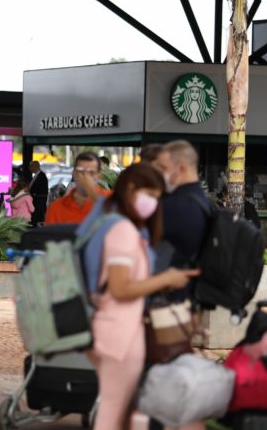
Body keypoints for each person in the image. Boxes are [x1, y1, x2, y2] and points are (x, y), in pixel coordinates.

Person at [88, 163, 200, 430]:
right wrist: (166, 279)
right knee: (112, 413)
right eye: (150, 194)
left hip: (120, 331)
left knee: (122, 413)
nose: (154, 203)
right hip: (119, 335)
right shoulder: (123, 232)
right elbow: (120, 288)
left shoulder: (126, 229)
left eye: (157, 197)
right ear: (130, 190)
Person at [154, 141, 210, 298]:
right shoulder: (205, 203)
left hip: (170, 301)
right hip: (193, 296)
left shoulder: (175, 206)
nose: (159, 173)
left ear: (182, 169)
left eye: (163, 168)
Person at [45, 152, 111, 225]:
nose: (86, 176)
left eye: (91, 172)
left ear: (99, 176)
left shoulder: (112, 204)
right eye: (81, 171)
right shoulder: (56, 208)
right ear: (74, 174)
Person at [28, 161, 48, 226]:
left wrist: (33, 193)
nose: (29, 168)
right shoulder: (36, 175)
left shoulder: (42, 176)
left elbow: (41, 190)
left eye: (31, 166)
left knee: (37, 218)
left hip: (38, 202)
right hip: (35, 200)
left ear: (35, 166)